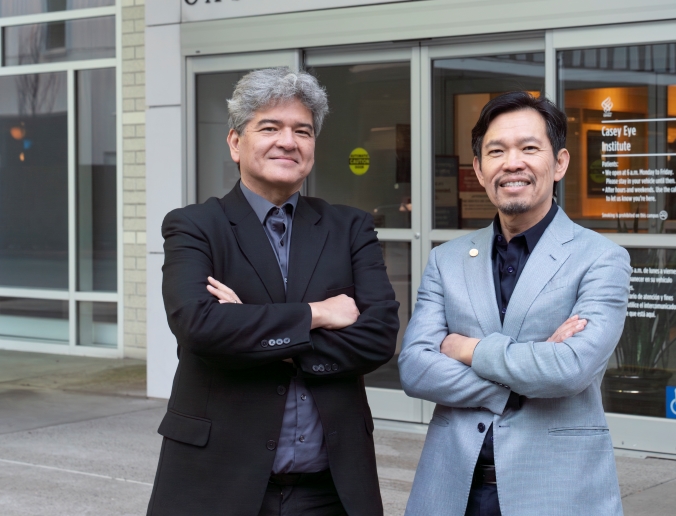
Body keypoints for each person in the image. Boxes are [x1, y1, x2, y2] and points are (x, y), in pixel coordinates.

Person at [147, 68, 400, 516]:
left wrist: (250, 327)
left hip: (331, 489)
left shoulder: (350, 228)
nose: (288, 141)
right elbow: (199, 326)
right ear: (235, 142)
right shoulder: (194, 226)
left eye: (302, 131)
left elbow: (378, 337)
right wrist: (318, 314)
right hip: (216, 482)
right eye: (270, 127)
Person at [398, 91, 631, 515]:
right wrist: (532, 369)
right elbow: (415, 368)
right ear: (479, 168)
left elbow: (570, 369)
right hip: (453, 488)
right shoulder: (446, 259)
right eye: (496, 151)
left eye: (529, 148)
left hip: (554, 490)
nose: (512, 163)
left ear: (559, 163)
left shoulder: (600, 258)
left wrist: (467, 350)